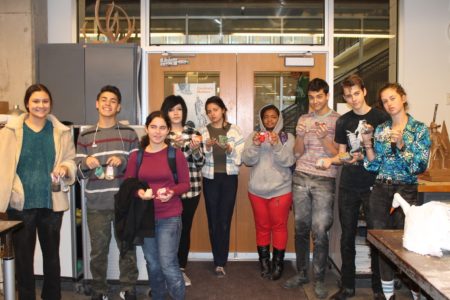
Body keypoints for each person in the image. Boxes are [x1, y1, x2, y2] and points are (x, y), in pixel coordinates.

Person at [0, 83, 76, 300]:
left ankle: (52, 297)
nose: (40, 105)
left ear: (50, 104)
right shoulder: (9, 132)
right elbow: (3, 166)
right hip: (20, 204)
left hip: (51, 204)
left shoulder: (61, 132)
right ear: (27, 104)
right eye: (35, 101)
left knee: (52, 258)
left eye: (44, 101)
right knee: (24, 260)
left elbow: (71, 159)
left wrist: (65, 168)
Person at [320, 74, 389, 300]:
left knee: (377, 237)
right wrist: (340, 159)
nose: (353, 99)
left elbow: (386, 153)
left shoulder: (381, 117)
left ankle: (380, 288)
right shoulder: (343, 121)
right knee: (347, 236)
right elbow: (341, 153)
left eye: (356, 93)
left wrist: (365, 156)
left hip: (375, 185)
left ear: (365, 91)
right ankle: (347, 286)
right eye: (348, 96)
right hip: (349, 184)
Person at [362, 83, 431, 300]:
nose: (389, 104)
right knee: (382, 244)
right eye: (385, 101)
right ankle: (389, 295)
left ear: (403, 97)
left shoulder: (419, 129)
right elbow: (373, 165)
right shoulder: (382, 129)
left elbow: (419, 166)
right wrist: (367, 145)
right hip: (381, 189)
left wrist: (401, 145)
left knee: (407, 244)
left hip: (406, 189)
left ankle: (415, 291)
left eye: (392, 98)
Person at [75, 85, 139, 300]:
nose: (108, 103)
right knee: (98, 252)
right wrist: (85, 162)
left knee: (127, 249)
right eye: (104, 99)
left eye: (113, 100)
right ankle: (99, 290)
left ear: (119, 106)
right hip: (96, 203)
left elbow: (138, 165)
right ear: (97, 103)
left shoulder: (129, 134)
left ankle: (128, 288)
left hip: (124, 204)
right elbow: (77, 171)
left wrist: (124, 160)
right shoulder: (85, 135)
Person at [282, 78, 340, 298]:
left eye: (319, 97)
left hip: (324, 178)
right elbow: (297, 153)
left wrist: (323, 137)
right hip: (301, 176)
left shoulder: (337, 120)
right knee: (301, 228)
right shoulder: (304, 118)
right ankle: (303, 273)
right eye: (312, 97)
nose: (315, 101)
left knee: (320, 230)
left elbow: (337, 154)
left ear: (327, 96)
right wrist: (301, 135)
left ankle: (320, 279)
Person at [125, 111, 190, 300]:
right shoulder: (136, 156)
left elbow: (185, 184)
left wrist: (171, 192)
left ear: (168, 130)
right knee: (152, 263)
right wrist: (139, 193)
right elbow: (129, 184)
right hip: (145, 216)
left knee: (168, 264)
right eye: (153, 127)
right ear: (146, 129)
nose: (157, 132)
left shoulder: (174, 154)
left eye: (162, 127)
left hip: (169, 215)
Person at [242, 104, 295, 281]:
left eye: (273, 116)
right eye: (266, 117)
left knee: (279, 227)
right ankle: (264, 262)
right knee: (262, 227)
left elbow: (289, 161)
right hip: (257, 190)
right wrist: (256, 145)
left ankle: (278, 263)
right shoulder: (253, 136)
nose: (270, 120)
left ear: (279, 118)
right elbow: (247, 160)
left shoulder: (287, 137)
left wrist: (277, 145)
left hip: (281, 190)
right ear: (261, 119)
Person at [161, 95, 205, 286]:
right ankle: (166, 270)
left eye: (179, 109)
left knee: (184, 229)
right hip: (169, 191)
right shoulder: (161, 133)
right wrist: (179, 150)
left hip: (191, 189)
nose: (176, 113)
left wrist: (194, 150)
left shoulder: (193, 133)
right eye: (171, 109)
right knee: (168, 231)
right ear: (166, 113)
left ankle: (180, 270)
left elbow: (201, 163)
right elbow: (162, 164)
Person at [199, 96, 244, 277]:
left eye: (215, 110)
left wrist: (229, 149)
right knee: (213, 220)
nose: (212, 114)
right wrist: (207, 148)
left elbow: (240, 159)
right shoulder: (203, 131)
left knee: (224, 221)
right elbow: (199, 158)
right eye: (209, 111)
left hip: (228, 179)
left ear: (223, 110)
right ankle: (216, 258)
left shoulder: (234, 130)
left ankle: (220, 262)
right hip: (210, 178)